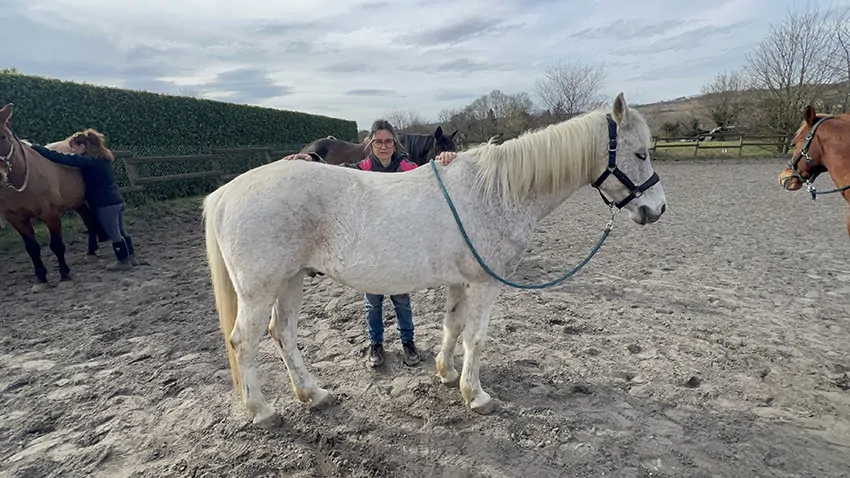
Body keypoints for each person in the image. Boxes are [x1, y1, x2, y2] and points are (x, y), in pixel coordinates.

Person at [283, 119, 459, 368]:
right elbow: (337, 171)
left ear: (395, 143)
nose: (384, 146)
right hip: (371, 246)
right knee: (373, 301)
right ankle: (376, 344)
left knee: (402, 299)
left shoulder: (409, 167)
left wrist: (447, 158)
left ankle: (408, 342)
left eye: (388, 141)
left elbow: (431, 175)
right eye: (378, 142)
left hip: (400, 245)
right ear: (371, 144)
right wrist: (312, 160)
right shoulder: (362, 167)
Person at [29, 129, 140, 271]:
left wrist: (35, 147)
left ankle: (123, 261)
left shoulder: (88, 161)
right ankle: (132, 257)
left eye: (73, 147)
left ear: (82, 147)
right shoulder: (102, 159)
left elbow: (61, 158)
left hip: (105, 204)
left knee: (114, 234)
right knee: (122, 231)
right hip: (117, 201)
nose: (72, 151)